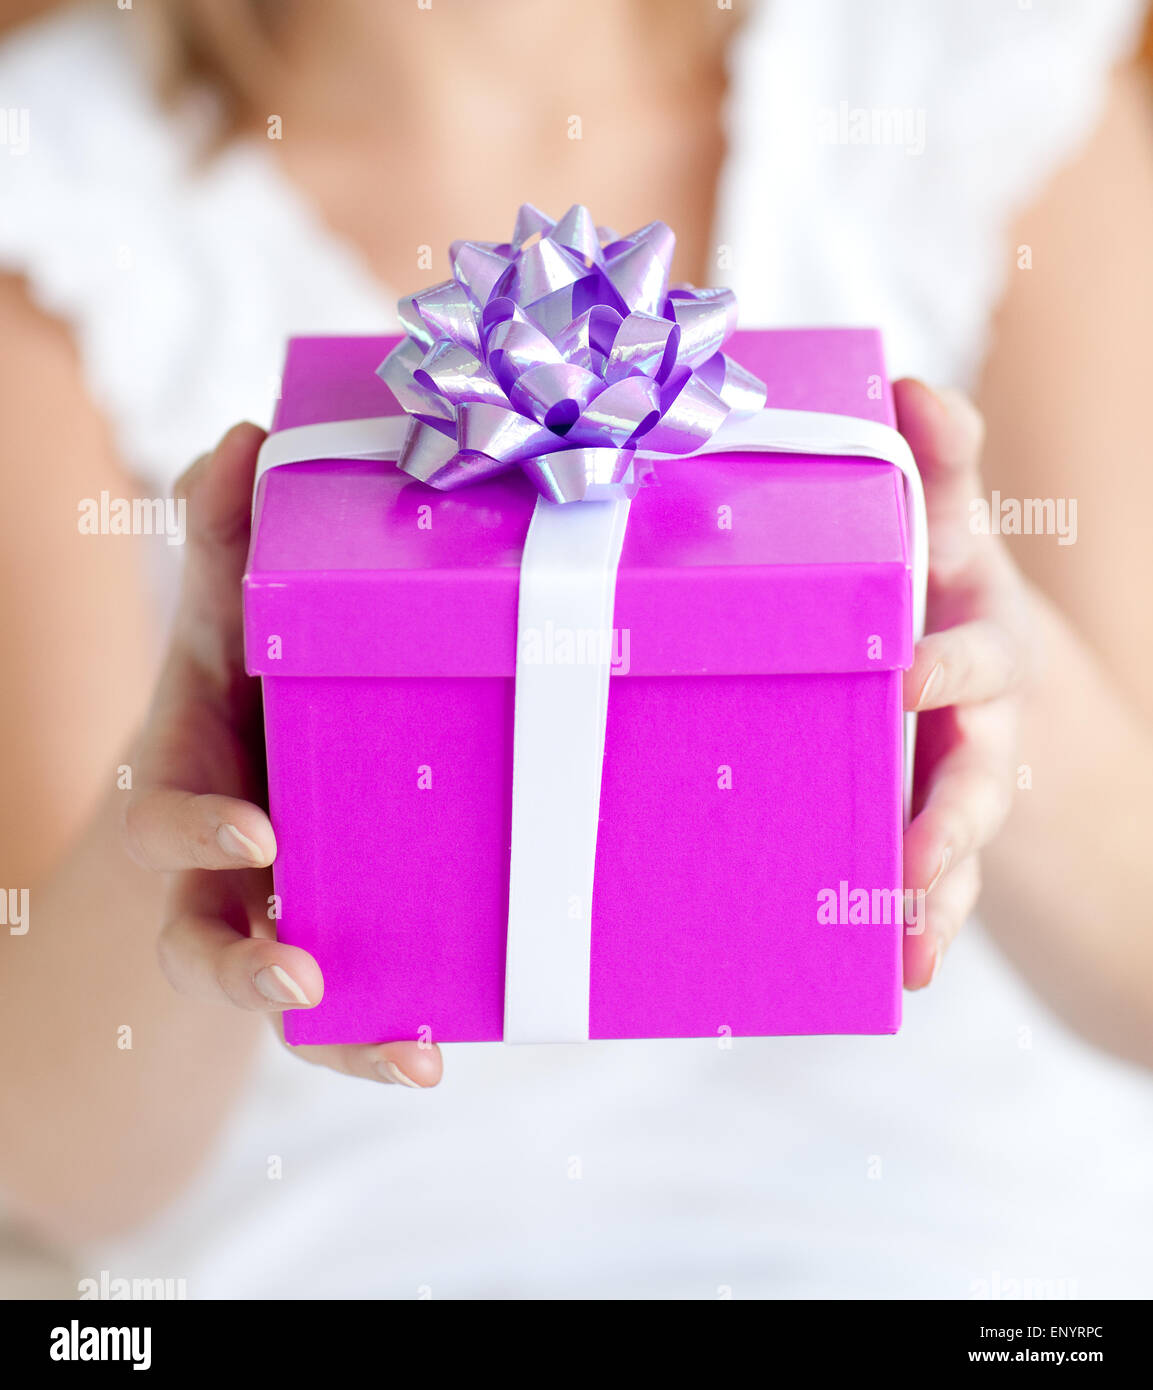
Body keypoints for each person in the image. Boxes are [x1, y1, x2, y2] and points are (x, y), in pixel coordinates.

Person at [1, 0, 1151, 1299]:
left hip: (970, 1246)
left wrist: (992, 676)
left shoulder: (978, 73)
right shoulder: (50, 190)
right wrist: (175, 824)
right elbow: (56, 1164)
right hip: (364, 1250)